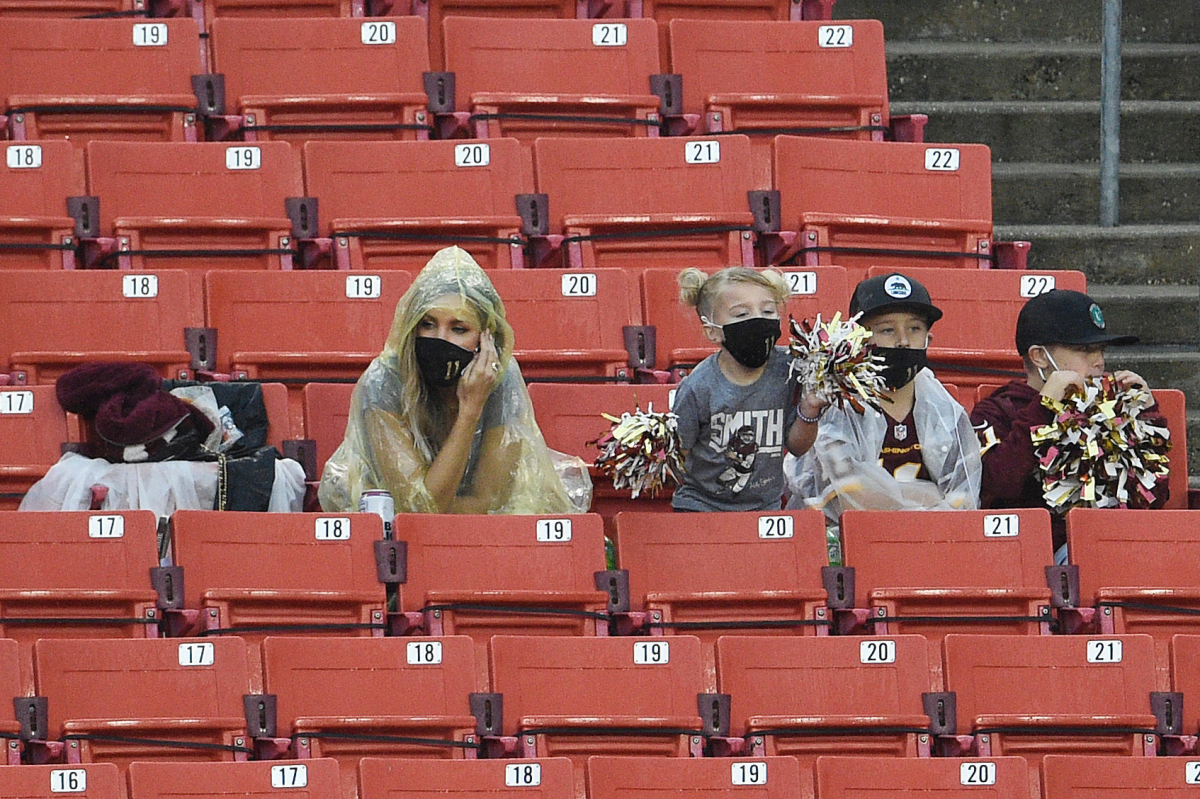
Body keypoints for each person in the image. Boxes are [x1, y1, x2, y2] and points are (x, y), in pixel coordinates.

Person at [318, 246, 591, 514]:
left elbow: (488, 502)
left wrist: (472, 403)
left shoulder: (498, 377)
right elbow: (421, 507)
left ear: (486, 339)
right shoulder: (384, 382)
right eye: (428, 324)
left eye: (459, 328)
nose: (441, 339)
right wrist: (469, 412)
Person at [970, 288, 1167, 561]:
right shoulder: (997, 411)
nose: (1099, 361)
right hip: (1039, 558)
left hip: (1122, 547)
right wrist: (1043, 408)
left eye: (1101, 349)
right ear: (1039, 356)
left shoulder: (1112, 407)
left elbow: (1154, 500)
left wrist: (1146, 417)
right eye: (1084, 350)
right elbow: (994, 490)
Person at [784, 273, 982, 542]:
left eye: (914, 329)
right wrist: (930, 499)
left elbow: (964, 500)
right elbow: (846, 498)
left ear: (928, 340)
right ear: (857, 340)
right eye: (887, 330)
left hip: (935, 547)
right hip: (846, 549)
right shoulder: (835, 406)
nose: (903, 341)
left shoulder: (948, 412)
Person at [670, 267, 819, 512]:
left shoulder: (790, 369)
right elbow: (678, 455)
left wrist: (810, 408)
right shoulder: (698, 386)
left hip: (765, 509)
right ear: (713, 331)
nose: (758, 320)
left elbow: (797, 447)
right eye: (741, 314)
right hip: (701, 507)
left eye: (768, 311)